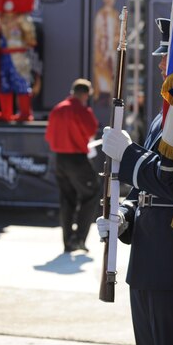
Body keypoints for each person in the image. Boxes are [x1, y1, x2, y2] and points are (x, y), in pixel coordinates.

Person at [98, 18, 173, 345]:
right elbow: (144, 191)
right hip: (146, 264)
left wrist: (128, 155)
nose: (161, 64)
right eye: (161, 57)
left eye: (168, 58)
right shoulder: (165, 114)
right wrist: (124, 215)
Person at [45, 78, 99, 253]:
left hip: (59, 159)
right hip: (77, 159)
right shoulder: (81, 109)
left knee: (67, 199)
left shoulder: (58, 109)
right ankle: (79, 238)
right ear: (85, 94)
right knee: (92, 194)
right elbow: (91, 130)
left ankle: (68, 241)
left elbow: (49, 136)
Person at [93, 0, 119, 104]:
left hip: (112, 51)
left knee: (113, 75)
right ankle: (102, 97)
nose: (110, 0)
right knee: (102, 76)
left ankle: (111, 97)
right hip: (102, 52)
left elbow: (118, 33)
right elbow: (97, 36)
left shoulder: (115, 14)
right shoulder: (100, 15)